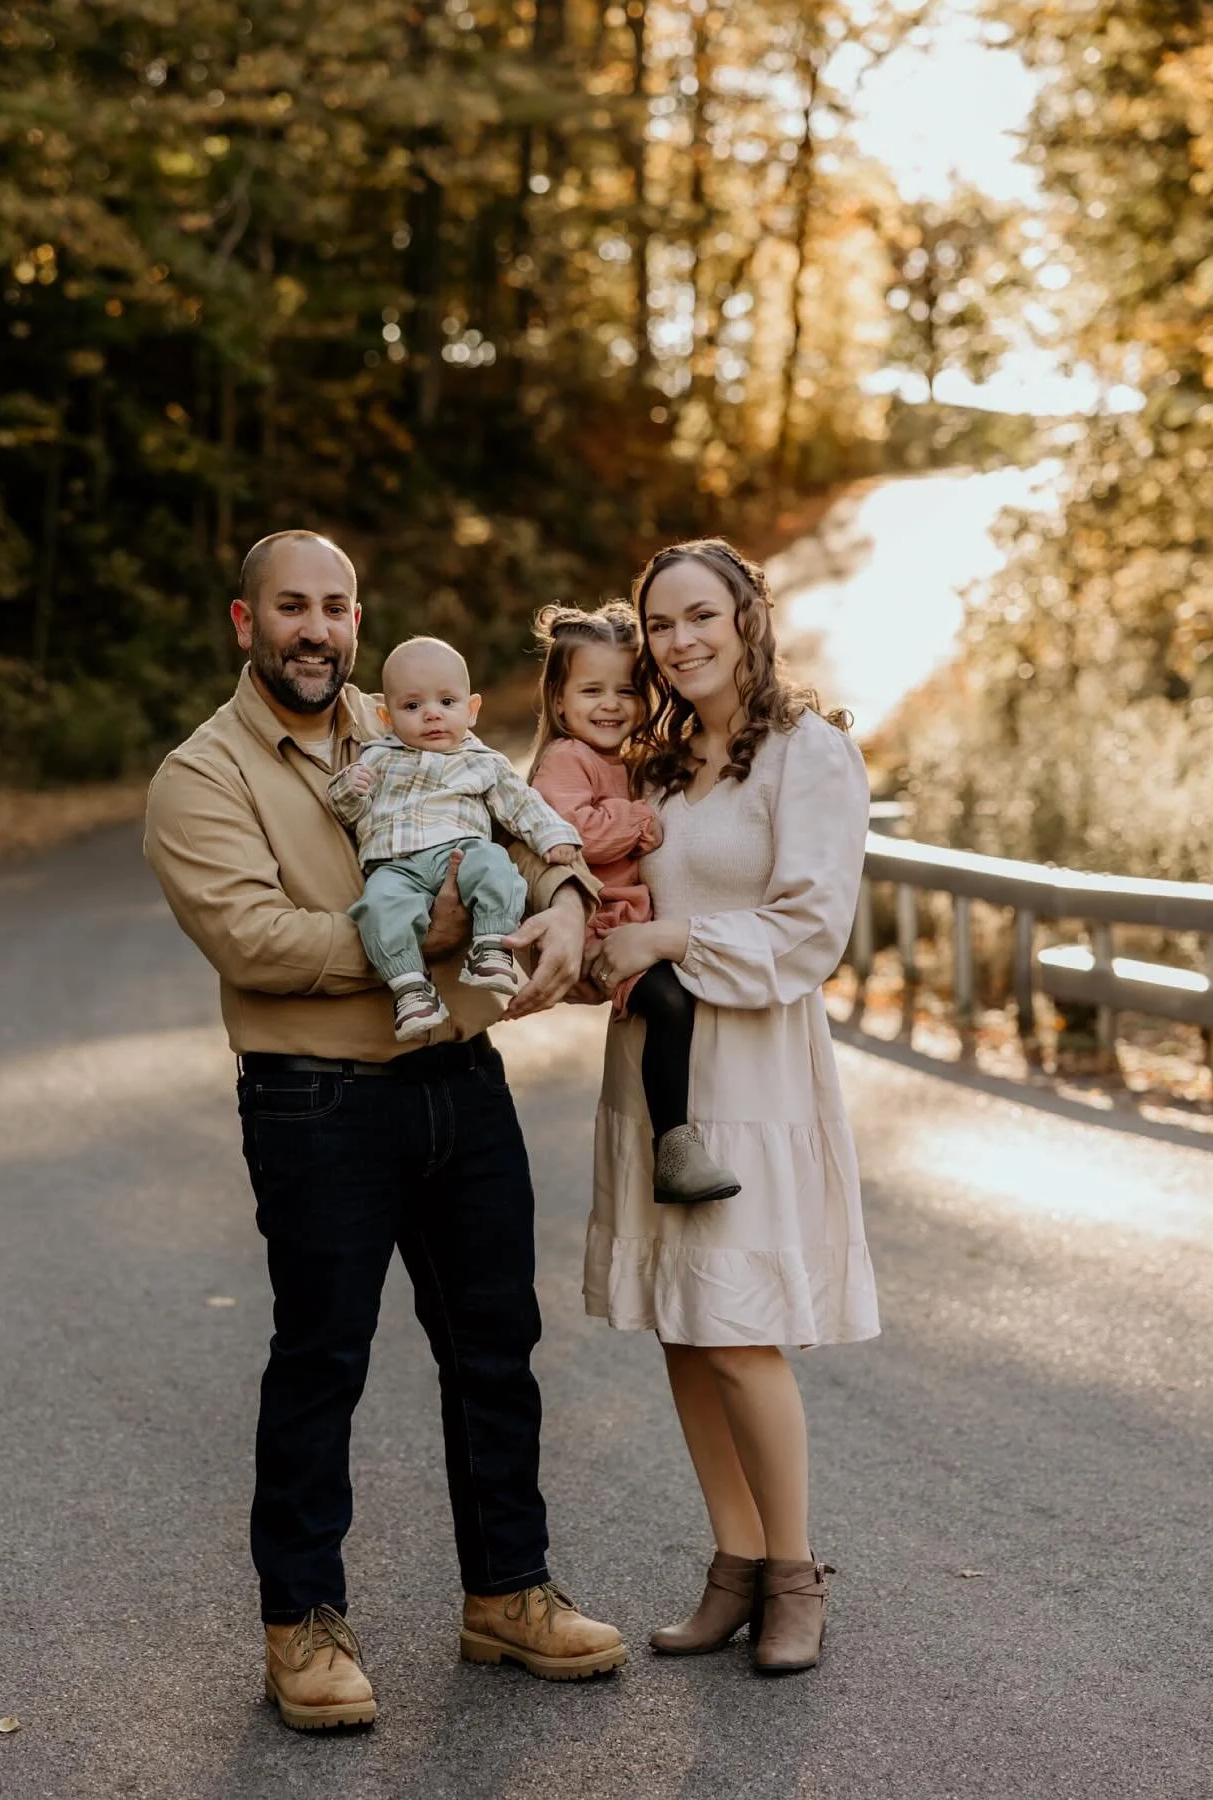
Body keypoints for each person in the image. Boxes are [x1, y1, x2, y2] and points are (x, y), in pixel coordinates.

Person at [143, 529, 625, 1733]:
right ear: (247, 623)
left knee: (496, 1348)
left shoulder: (412, 717)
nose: (315, 630)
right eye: (290, 608)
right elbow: (256, 940)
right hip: (316, 1103)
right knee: (324, 1361)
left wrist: (568, 899)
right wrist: (440, 933)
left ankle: (507, 1593)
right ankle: (302, 1626)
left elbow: (518, 818)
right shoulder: (201, 777)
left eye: (335, 607)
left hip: (461, 1079)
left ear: (358, 621)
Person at [583, 537, 879, 1677]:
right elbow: (610, 893)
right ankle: (735, 1564)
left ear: (750, 615)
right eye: (660, 624)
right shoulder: (654, 765)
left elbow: (811, 927)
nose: (679, 641)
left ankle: (796, 1574)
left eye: (701, 615)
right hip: (654, 1076)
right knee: (684, 1328)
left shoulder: (811, 753)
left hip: (752, 1073)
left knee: (741, 1333)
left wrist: (674, 937)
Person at [527, 602, 742, 1207]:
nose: (611, 705)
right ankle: (674, 1148)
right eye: (591, 690)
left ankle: (681, 1138)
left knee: (678, 1000)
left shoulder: (623, 763)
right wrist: (643, 820)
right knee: (670, 1002)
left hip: (625, 921)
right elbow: (574, 833)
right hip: (596, 925)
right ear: (559, 701)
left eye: (626, 690)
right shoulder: (566, 759)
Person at [328, 635, 581, 1041]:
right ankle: (409, 986)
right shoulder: (376, 757)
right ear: (387, 717)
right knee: (377, 907)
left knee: (495, 864)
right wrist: (349, 789)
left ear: (472, 709)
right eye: (412, 707)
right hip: (396, 867)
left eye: (447, 702)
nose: (432, 715)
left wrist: (551, 835)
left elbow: (521, 804)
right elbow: (347, 815)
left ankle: (491, 944)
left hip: (462, 852)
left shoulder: (483, 762)